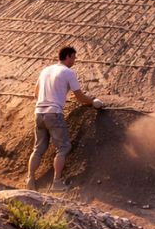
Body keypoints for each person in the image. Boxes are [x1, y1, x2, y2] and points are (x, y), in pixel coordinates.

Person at [26, 45, 103, 191]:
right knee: (63, 147)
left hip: (39, 112)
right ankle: (57, 182)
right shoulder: (68, 72)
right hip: (54, 113)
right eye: (73, 57)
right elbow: (79, 97)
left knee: (38, 149)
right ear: (67, 56)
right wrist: (93, 102)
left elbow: (36, 93)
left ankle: (30, 180)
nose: (74, 61)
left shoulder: (45, 70)